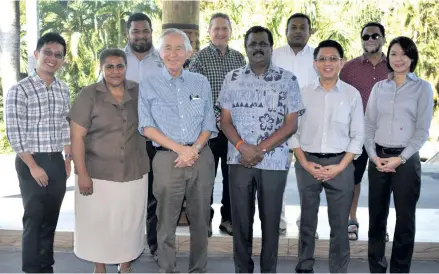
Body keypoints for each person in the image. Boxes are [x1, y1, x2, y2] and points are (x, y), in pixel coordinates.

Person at [219, 26, 304, 273]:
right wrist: (242, 147)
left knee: (271, 224)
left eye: (262, 44)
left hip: (274, 162)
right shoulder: (232, 78)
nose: (257, 48)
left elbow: (291, 124)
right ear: (245, 48)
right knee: (241, 223)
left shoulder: (288, 79)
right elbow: (224, 120)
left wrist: (260, 149)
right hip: (239, 160)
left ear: (270, 46)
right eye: (252, 44)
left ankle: (269, 270)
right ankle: (242, 269)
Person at [138, 28, 218, 273]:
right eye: (168, 48)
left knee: (201, 220)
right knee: (165, 222)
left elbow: (209, 123)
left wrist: (192, 150)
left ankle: (198, 269)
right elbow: (146, 126)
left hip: (200, 157)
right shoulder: (149, 84)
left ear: (188, 52)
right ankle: (167, 269)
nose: (173, 54)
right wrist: (180, 150)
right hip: (166, 159)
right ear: (160, 53)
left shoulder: (200, 82)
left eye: (179, 48)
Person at [69, 49, 149, 273]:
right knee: (98, 223)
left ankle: (125, 265)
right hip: (97, 172)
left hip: (134, 171)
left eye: (119, 66)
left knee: (128, 222)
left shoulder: (139, 91)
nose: (115, 71)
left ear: (126, 67)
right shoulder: (88, 94)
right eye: (109, 67)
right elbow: (77, 137)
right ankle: (100, 266)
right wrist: (82, 173)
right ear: (101, 68)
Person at [291, 40, 364, 273]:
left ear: (341, 62)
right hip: (307, 163)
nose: (328, 63)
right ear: (315, 63)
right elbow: (292, 131)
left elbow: (358, 135)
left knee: (340, 225)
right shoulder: (302, 93)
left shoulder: (352, 95)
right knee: (307, 222)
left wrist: (340, 166)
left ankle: (339, 269)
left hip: (341, 165)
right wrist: (304, 162)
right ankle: (304, 266)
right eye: (322, 59)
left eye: (333, 58)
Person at [365, 36, 433, 273]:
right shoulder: (378, 88)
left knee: (405, 221)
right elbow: (369, 126)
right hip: (378, 158)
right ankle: (376, 267)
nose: (399, 59)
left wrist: (401, 158)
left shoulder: (422, 88)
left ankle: (400, 270)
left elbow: (422, 131)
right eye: (394, 53)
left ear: (412, 57)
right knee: (376, 219)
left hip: (406, 160)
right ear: (388, 57)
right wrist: (374, 157)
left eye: (404, 53)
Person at [5, 32, 71, 273]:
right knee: (34, 218)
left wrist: (68, 156)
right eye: (48, 52)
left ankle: (46, 267)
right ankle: (32, 269)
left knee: (50, 218)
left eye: (58, 55)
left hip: (56, 161)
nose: (53, 58)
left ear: (63, 60)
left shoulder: (63, 89)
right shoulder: (19, 90)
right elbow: (14, 132)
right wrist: (33, 166)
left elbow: (66, 125)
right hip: (31, 161)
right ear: (37, 54)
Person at [189, 12, 246, 237]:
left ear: (231, 32)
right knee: (206, 178)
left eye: (225, 29)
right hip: (209, 130)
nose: (221, 33)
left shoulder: (239, 59)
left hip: (233, 129)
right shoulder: (199, 59)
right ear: (209, 32)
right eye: (216, 29)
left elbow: (244, 91)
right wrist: (216, 115)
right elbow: (193, 95)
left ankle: (228, 220)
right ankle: (205, 220)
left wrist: (230, 117)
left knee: (232, 176)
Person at [339, 22, 389, 241]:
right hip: (356, 133)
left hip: (386, 134)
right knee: (353, 178)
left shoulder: (395, 65)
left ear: (383, 39)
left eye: (375, 35)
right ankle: (352, 219)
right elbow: (339, 99)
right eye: (366, 36)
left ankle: (379, 224)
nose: (370, 39)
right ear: (361, 40)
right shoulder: (349, 68)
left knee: (382, 181)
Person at [272, 12, 318, 236]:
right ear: (286, 31)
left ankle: (306, 222)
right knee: (278, 174)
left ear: (310, 32)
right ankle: (278, 221)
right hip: (278, 126)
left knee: (307, 178)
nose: (298, 31)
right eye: (294, 27)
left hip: (309, 125)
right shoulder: (274, 55)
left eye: (303, 27)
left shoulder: (318, 57)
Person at [123, 12, 162, 260]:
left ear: (151, 32)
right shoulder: (116, 60)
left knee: (154, 197)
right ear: (128, 33)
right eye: (135, 31)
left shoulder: (162, 60)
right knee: (127, 197)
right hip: (125, 141)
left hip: (156, 141)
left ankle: (155, 247)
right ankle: (125, 249)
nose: (140, 35)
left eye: (145, 30)